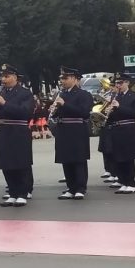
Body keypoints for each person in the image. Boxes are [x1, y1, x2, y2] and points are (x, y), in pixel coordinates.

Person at [0, 64, 35, 208]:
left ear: (15, 77)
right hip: (3, 130)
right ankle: (13, 193)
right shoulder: (2, 92)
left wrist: (5, 103)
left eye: (7, 76)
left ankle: (22, 193)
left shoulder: (25, 93)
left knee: (20, 162)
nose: (3, 79)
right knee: (6, 163)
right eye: (2, 76)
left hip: (18, 131)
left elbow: (25, 112)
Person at [51, 67, 94, 200]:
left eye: (66, 78)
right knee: (66, 159)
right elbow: (58, 112)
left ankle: (81, 187)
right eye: (61, 78)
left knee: (78, 159)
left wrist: (64, 105)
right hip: (63, 129)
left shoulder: (84, 94)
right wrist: (54, 109)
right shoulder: (62, 94)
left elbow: (84, 112)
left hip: (77, 129)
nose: (62, 81)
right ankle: (71, 187)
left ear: (75, 79)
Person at [103, 73, 135, 195]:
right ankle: (123, 182)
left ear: (127, 83)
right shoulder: (116, 96)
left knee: (128, 158)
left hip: (128, 129)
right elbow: (112, 116)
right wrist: (106, 113)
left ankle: (131, 183)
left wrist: (119, 107)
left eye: (120, 83)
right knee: (119, 157)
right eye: (116, 83)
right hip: (116, 130)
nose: (118, 86)